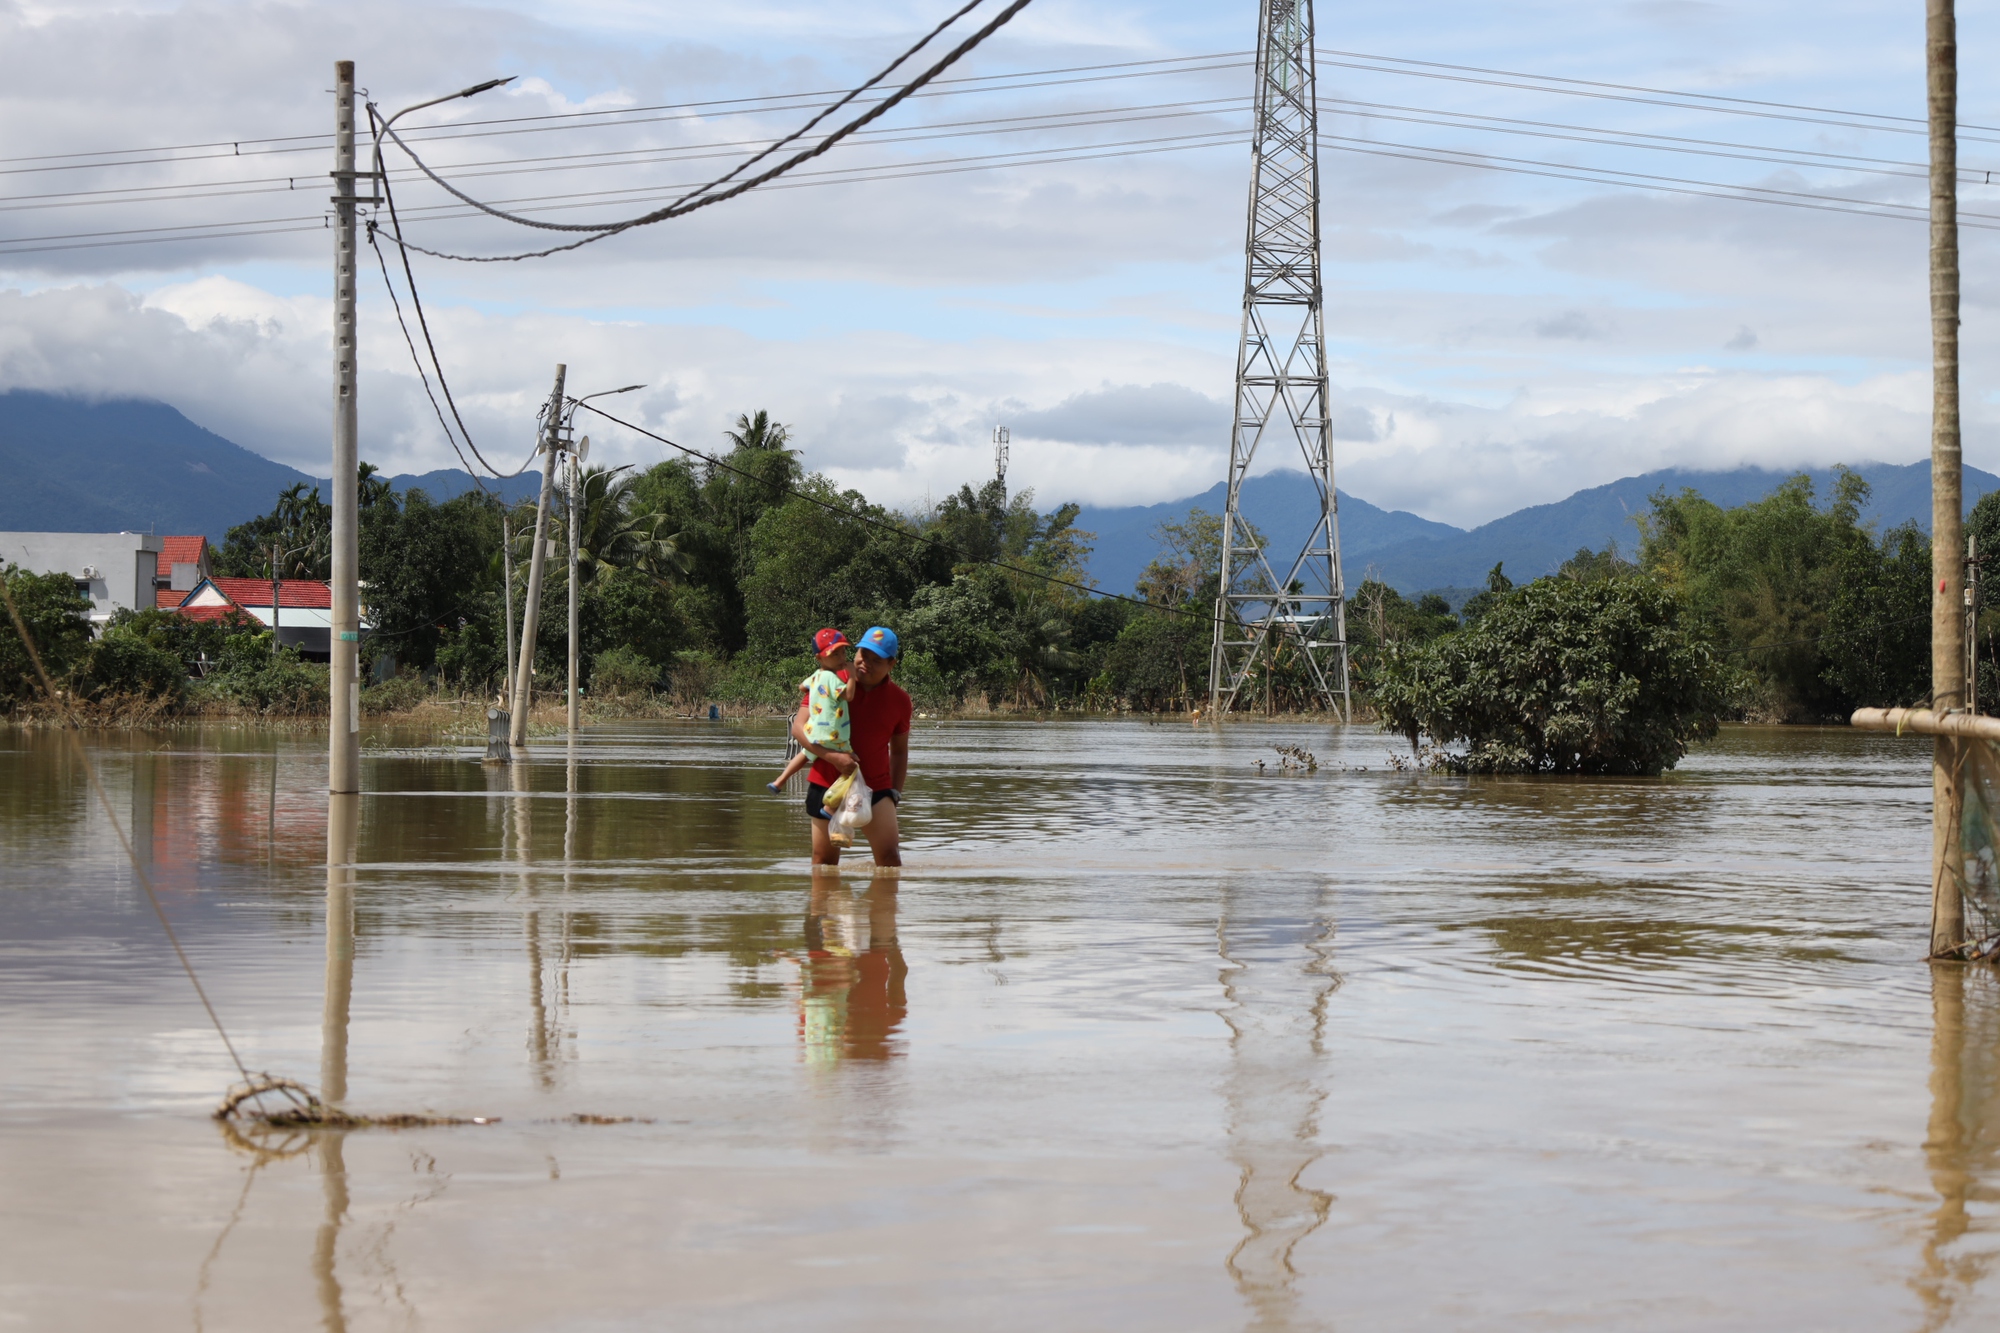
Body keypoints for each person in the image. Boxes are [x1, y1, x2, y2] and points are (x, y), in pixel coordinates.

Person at [793, 625, 911, 867]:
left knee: (890, 861)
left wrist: (895, 793)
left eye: (875, 660)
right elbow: (798, 728)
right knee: (823, 862)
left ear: (892, 664)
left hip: (876, 789)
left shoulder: (900, 700)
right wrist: (833, 758)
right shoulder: (828, 682)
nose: (864, 663)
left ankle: (883, 906)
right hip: (828, 785)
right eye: (862, 655)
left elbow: (899, 751)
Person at [768, 629, 853, 792]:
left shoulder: (816, 676)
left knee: (804, 754)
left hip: (814, 729)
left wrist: (816, 692)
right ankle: (829, 806)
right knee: (852, 762)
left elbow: (802, 687)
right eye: (835, 654)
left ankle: (780, 780)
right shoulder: (833, 678)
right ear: (820, 658)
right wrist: (853, 677)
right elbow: (848, 695)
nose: (842, 658)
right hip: (833, 732)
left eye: (843, 653)